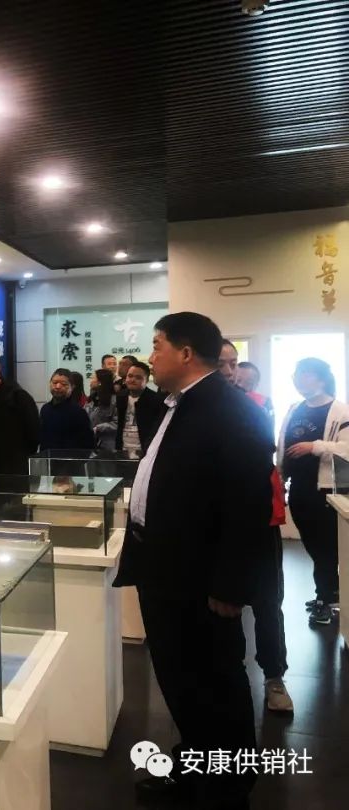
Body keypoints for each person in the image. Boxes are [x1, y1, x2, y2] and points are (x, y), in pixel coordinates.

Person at [114, 313, 272, 809]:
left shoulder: (229, 408)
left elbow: (248, 505)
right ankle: (194, 768)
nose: (150, 356)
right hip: (164, 566)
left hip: (200, 578)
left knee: (215, 685)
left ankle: (226, 789)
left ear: (185, 353)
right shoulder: (180, 404)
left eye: (157, 345)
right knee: (181, 681)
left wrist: (230, 585)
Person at [216, 344, 293, 711]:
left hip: (260, 521)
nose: (230, 371)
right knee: (220, 606)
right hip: (217, 526)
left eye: (233, 363)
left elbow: (263, 460)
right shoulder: (194, 409)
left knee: (266, 602)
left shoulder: (255, 407)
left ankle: (274, 675)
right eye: (222, 363)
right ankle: (226, 679)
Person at [278, 357, 349, 626]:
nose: (297, 379)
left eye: (303, 374)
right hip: (299, 488)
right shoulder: (295, 408)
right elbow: (283, 444)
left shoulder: (341, 411)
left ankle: (325, 598)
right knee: (313, 545)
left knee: (325, 547)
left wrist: (315, 446)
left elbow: (347, 449)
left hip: (326, 491)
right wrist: (280, 474)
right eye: (295, 375)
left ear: (320, 378)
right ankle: (332, 590)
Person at [115, 361, 164, 456]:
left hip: (146, 451)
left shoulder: (156, 400)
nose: (132, 380)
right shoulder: (120, 396)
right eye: (130, 376)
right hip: (123, 450)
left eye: (138, 377)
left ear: (146, 380)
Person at [40, 369, 95, 451]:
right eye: (54, 382)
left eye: (64, 384)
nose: (58, 386)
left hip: (71, 457)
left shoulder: (78, 412)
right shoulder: (45, 409)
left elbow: (88, 443)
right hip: (47, 457)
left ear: (72, 387)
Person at [86, 368, 118, 451]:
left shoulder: (114, 400)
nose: (91, 381)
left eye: (93, 378)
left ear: (100, 382)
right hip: (91, 442)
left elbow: (117, 423)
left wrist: (98, 428)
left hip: (108, 445)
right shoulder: (92, 398)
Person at [237, 361, 276, 427]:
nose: (240, 385)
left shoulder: (264, 403)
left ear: (256, 385)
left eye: (249, 383)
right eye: (238, 380)